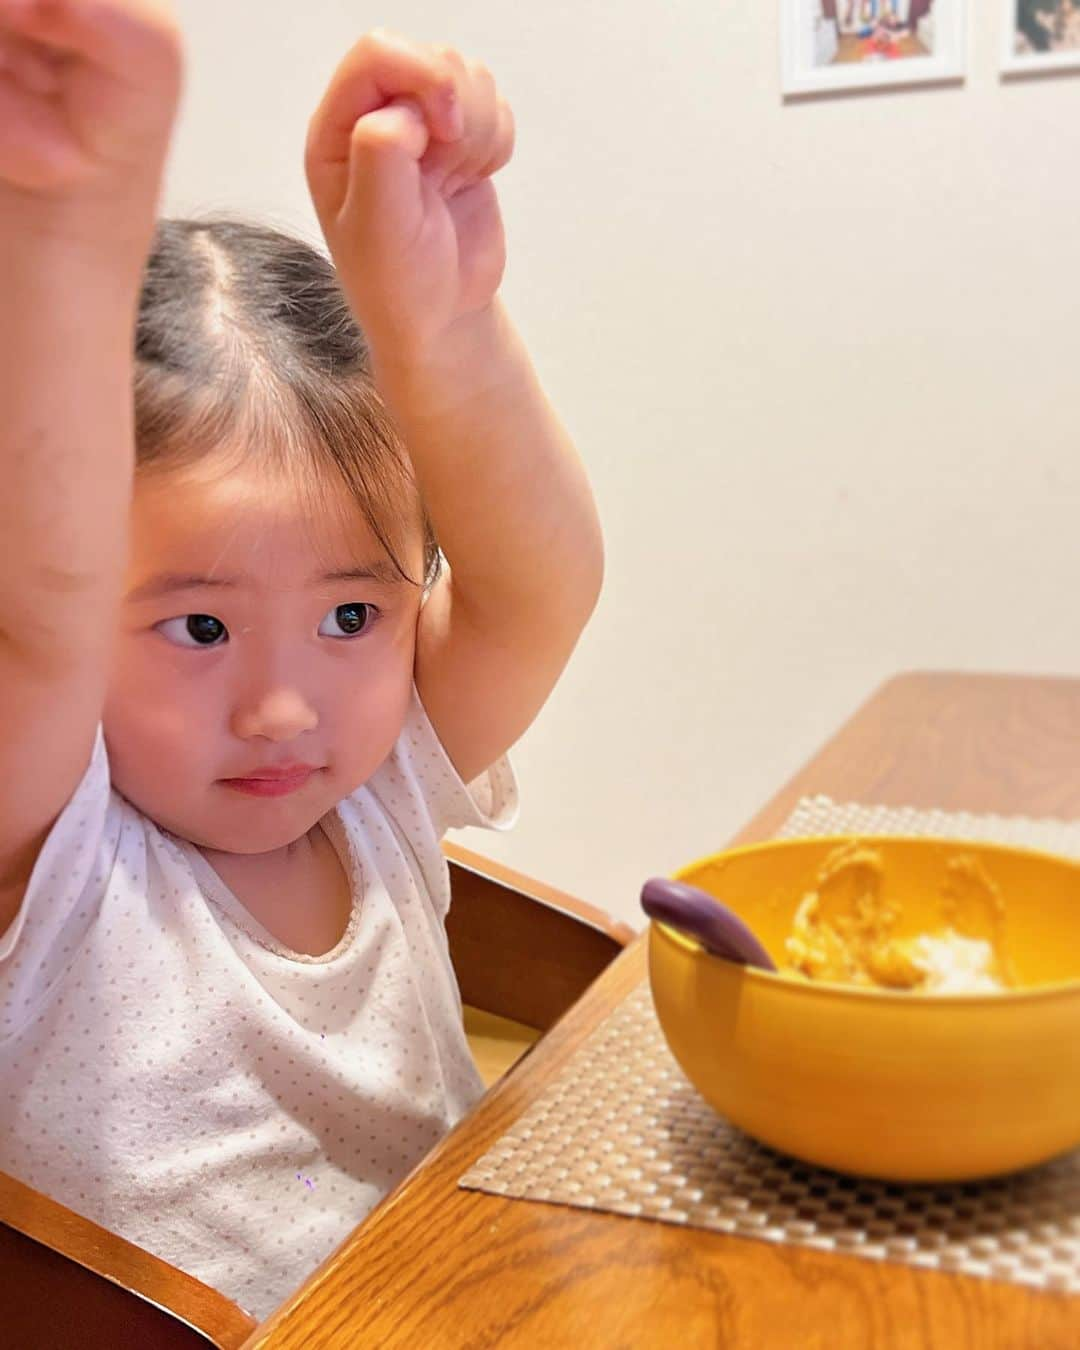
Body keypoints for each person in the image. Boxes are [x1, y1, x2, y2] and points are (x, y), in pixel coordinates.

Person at [0, 0, 602, 1320]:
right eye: (200, 628)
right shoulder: (59, 846)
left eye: (351, 618)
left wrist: (441, 318)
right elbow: (36, 619)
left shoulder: (378, 784)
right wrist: (60, 234)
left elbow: (537, 586)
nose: (284, 709)